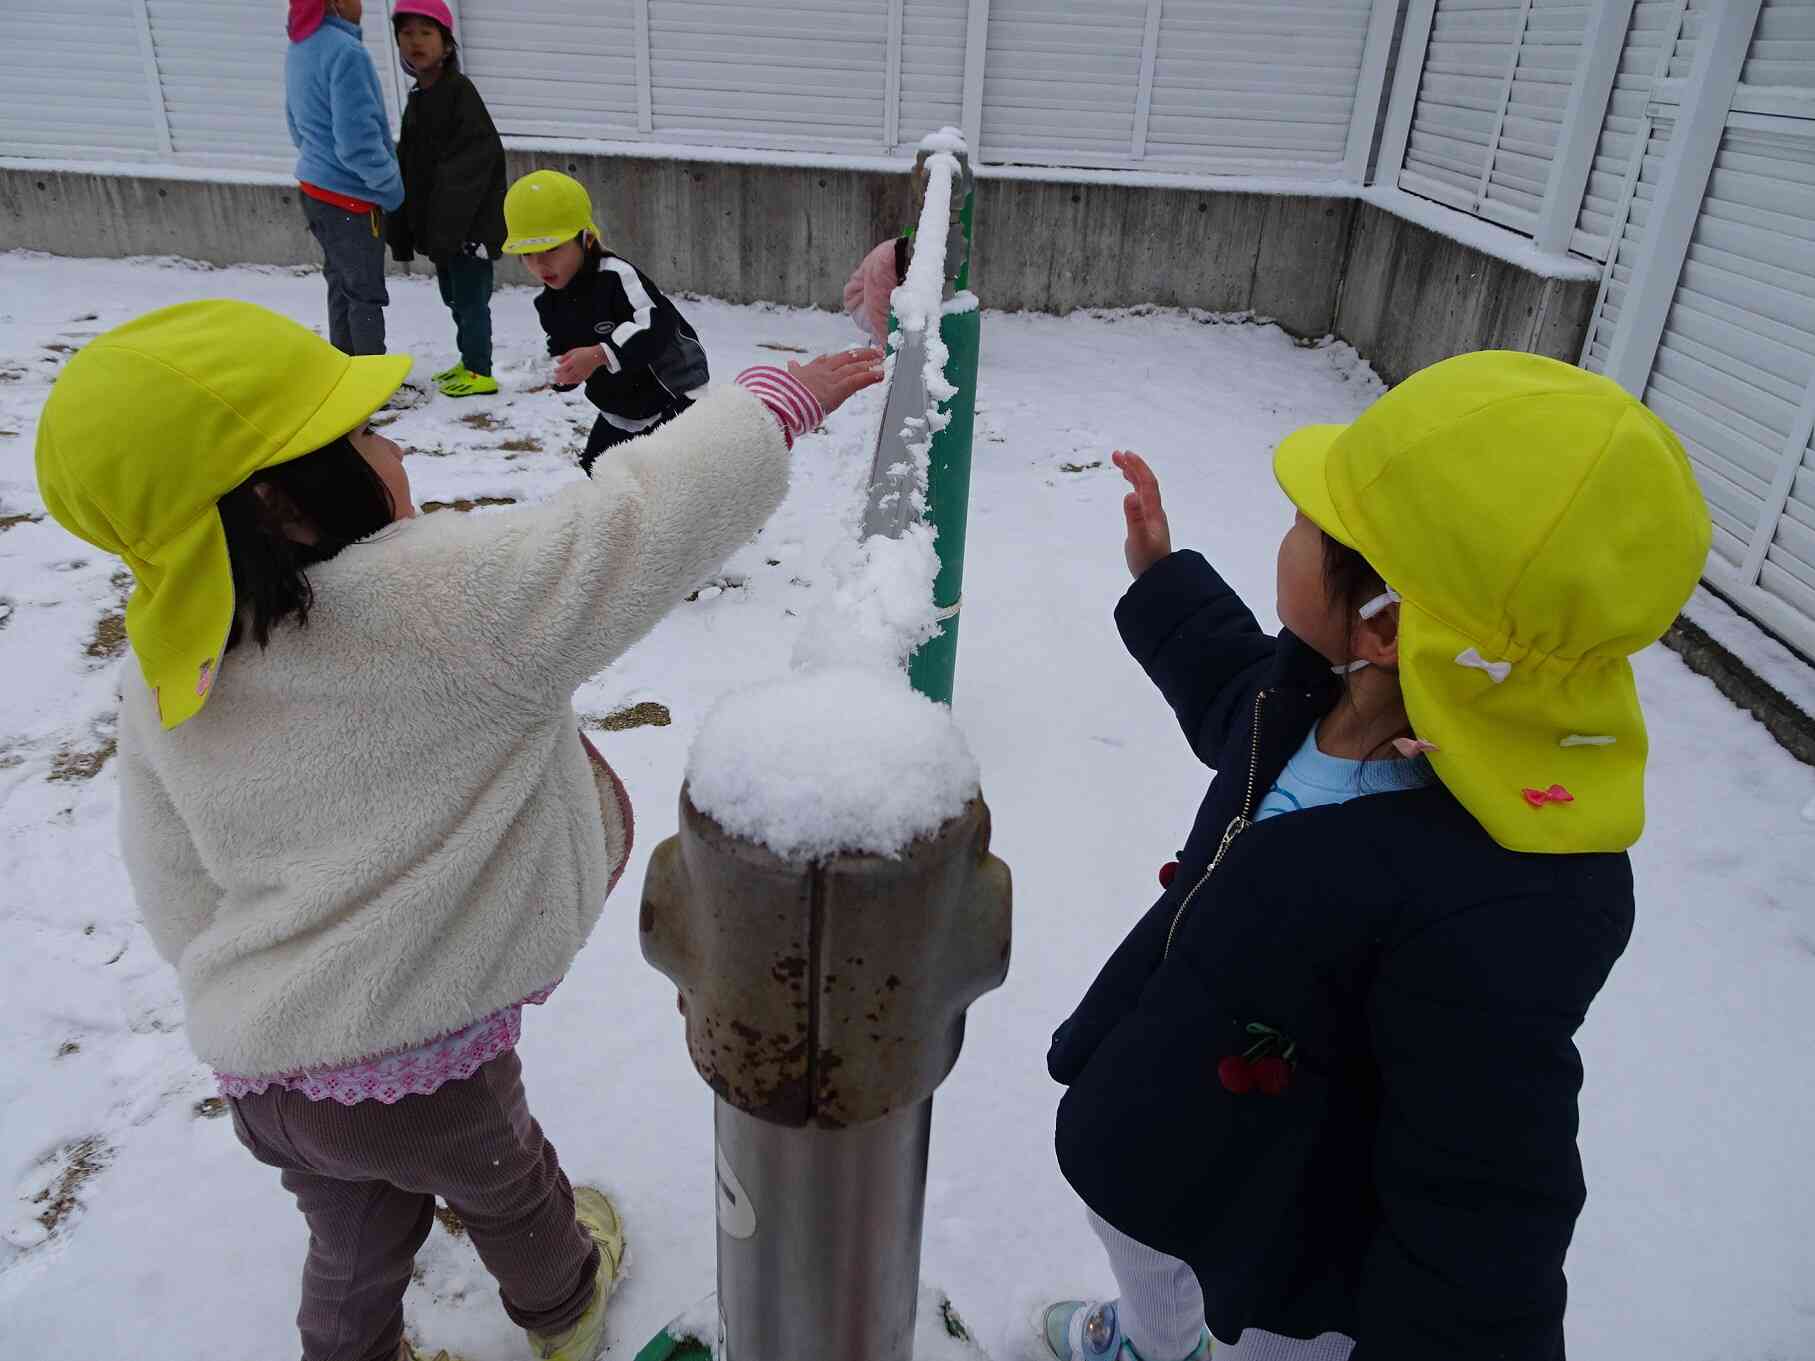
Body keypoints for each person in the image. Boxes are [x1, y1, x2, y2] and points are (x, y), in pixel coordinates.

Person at [34, 298, 880, 1361]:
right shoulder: (437, 603)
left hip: (264, 1071)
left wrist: (238, 984)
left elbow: (167, 875)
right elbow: (627, 526)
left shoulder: (167, 668)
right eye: (357, 435)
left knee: (352, 1231)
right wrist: (772, 405)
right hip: (420, 1065)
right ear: (279, 501)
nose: (388, 446)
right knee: (512, 1184)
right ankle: (567, 1305)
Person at [1038, 352, 1711, 1361]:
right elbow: (1235, 702)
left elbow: (1483, 1199)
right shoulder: (1323, 691)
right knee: (1135, 1226)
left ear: (1388, 623)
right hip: (1168, 1094)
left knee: (1266, 1334)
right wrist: (1168, 583)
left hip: (1290, 1216)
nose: (1289, 531)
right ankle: (1151, 1340)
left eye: (1309, 524)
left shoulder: (1499, 904)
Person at [503, 170, 712, 476]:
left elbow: (655, 323)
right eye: (528, 254)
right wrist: (565, 373)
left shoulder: (616, 278)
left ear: (586, 240)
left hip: (674, 391)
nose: (540, 264)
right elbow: (563, 346)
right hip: (623, 403)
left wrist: (600, 354)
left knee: (684, 474)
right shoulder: (549, 303)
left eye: (552, 249)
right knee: (600, 468)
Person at [385, 0, 507, 399]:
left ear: (447, 45)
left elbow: (473, 163)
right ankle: (468, 360)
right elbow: (412, 165)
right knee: (453, 297)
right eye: (407, 33)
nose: (415, 41)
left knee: (472, 301)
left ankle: (480, 370)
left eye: (425, 33)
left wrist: (448, 226)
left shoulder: (459, 93)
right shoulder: (421, 95)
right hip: (442, 229)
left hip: (468, 227)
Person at [286, 0, 405, 357]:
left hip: (315, 192)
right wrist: (390, 187)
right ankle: (370, 384)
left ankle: (342, 371)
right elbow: (357, 142)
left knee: (341, 285)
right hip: (350, 199)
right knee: (364, 294)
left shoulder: (300, 47)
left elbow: (295, 124)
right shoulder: (346, 53)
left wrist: (319, 162)